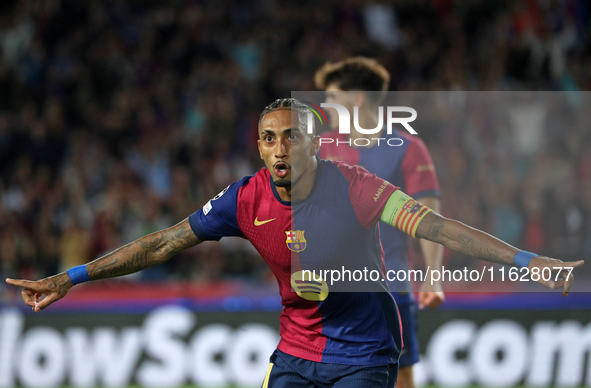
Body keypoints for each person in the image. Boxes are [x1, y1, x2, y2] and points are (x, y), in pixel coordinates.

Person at [6, 98, 584, 388]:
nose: (281, 148)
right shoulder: (245, 198)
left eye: (292, 137)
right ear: (259, 147)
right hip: (296, 357)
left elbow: (437, 226)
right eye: (269, 139)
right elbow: (162, 244)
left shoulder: (356, 187)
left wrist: (528, 261)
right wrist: (72, 277)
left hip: (364, 354)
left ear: (315, 144)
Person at [314, 56, 443, 388]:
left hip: (391, 285)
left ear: (356, 98)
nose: (325, 104)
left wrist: (433, 275)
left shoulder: (408, 148)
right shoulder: (322, 149)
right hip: (333, 290)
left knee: (400, 377)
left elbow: (428, 219)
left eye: (332, 96)